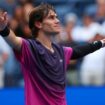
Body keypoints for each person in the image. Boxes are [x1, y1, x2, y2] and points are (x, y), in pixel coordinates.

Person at [0, 3, 105, 105]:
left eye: (56, 17)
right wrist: (3, 28)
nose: (57, 20)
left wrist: (102, 42)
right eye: (51, 18)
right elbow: (13, 40)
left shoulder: (61, 51)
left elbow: (79, 50)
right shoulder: (29, 48)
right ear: (38, 24)